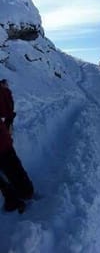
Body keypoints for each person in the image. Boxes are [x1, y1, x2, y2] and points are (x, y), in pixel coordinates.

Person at [0, 79, 33, 213]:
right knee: (13, 171)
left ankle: (13, 199)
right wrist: (3, 89)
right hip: (2, 144)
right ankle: (22, 196)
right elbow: (7, 110)